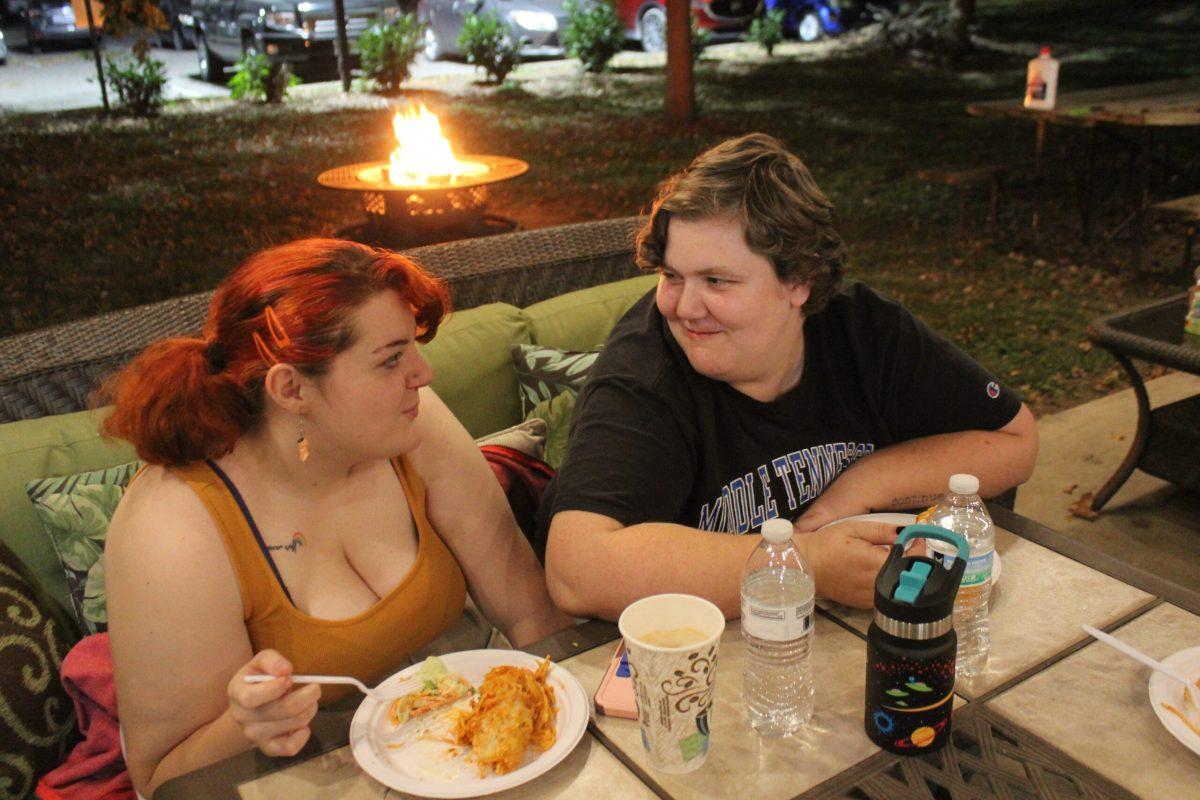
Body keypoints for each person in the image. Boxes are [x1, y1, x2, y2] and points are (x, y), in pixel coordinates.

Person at [101, 239, 571, 797]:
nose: (422, 373)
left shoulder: (410, 422)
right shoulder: (174, 527)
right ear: (291, 388)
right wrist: (245, 726)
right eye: (391, 359)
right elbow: (162, 781)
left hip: (469, 763)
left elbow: (535, 619)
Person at [540, 133, 1038, 621]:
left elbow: (1015, 440)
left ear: (799, 279)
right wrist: (805, 564)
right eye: (672, 276)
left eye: (716, 281)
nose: (684, 307)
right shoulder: (643, 377)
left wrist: (860, 486)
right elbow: (576, 572)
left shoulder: (864, 332)